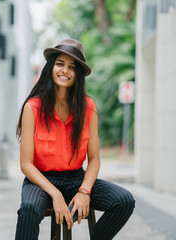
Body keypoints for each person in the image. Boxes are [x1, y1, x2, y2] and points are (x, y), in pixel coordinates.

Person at [15, 39, 135, 240]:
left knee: (124, 201)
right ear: (51, 67)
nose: (65, 70)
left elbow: (94, 158)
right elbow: (26, 164)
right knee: (29, 208)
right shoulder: (32, 107)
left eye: (72, 67)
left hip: (76, 179)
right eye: (60, 63)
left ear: (78, 74)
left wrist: (84, 191)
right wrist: (55, 194)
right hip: (40, 180)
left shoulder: (88, 107)